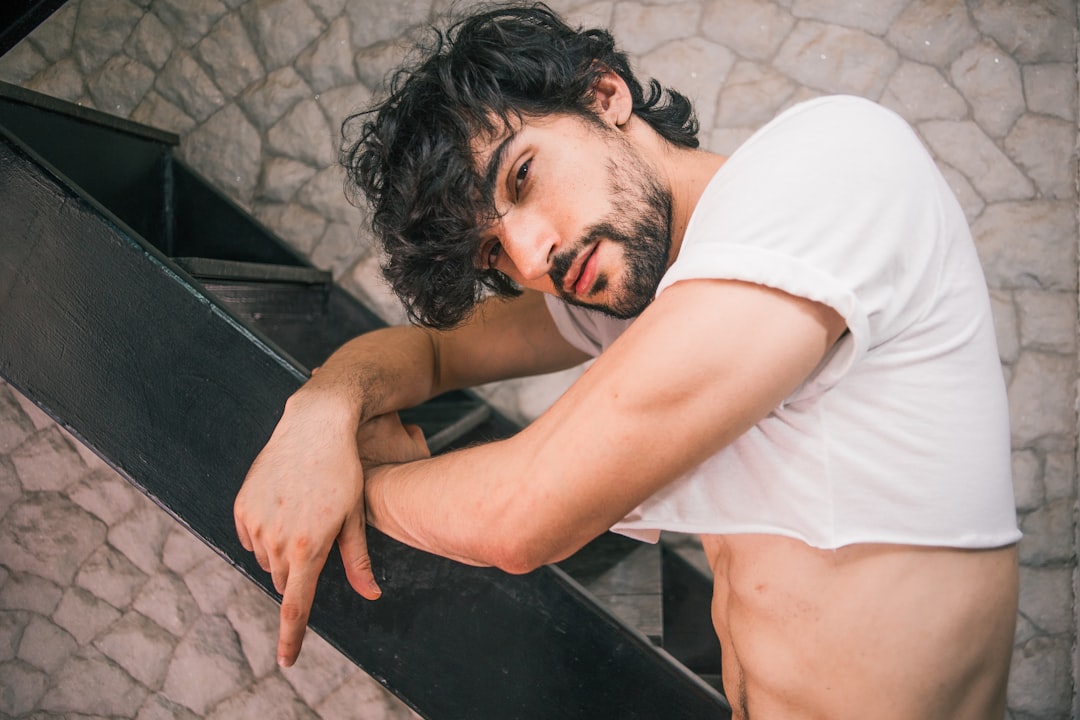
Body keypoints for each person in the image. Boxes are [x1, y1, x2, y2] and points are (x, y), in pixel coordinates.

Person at [233, 4, 1021, 718]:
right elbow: (433, 354)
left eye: (523, 176)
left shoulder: (828, 166)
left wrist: (351, 490)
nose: (533, 255)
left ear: (605, 96)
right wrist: (322, 411)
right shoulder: (628, 291)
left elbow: (521, 515)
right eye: (494, 252)